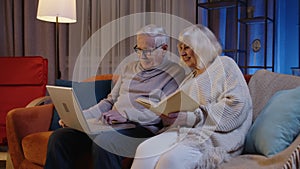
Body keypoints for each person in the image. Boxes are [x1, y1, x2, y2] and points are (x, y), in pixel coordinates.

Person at [44, 24, 185, 169]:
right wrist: (81, 117)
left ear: (164, 49)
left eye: (148, 51)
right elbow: (109, 101)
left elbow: (162, 112)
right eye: (139, 49)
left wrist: (126, 115)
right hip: (111, 124)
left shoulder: (175, 73)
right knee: (60, 137)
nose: (142, 55)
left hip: (142, 128)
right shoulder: (128, 68)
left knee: (106, 143)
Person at [130, 24, 253, 169]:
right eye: (180, 47)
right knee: (145, 150)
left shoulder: (225, 64)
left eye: (187, 47)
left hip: (213, 136)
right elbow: (183, 114)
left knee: (170, 160)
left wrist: (192, 117)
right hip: (184, 132)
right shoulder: (190, 77)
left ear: (201, 46)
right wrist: (170, 116)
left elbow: (236, 104)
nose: (182, 52)